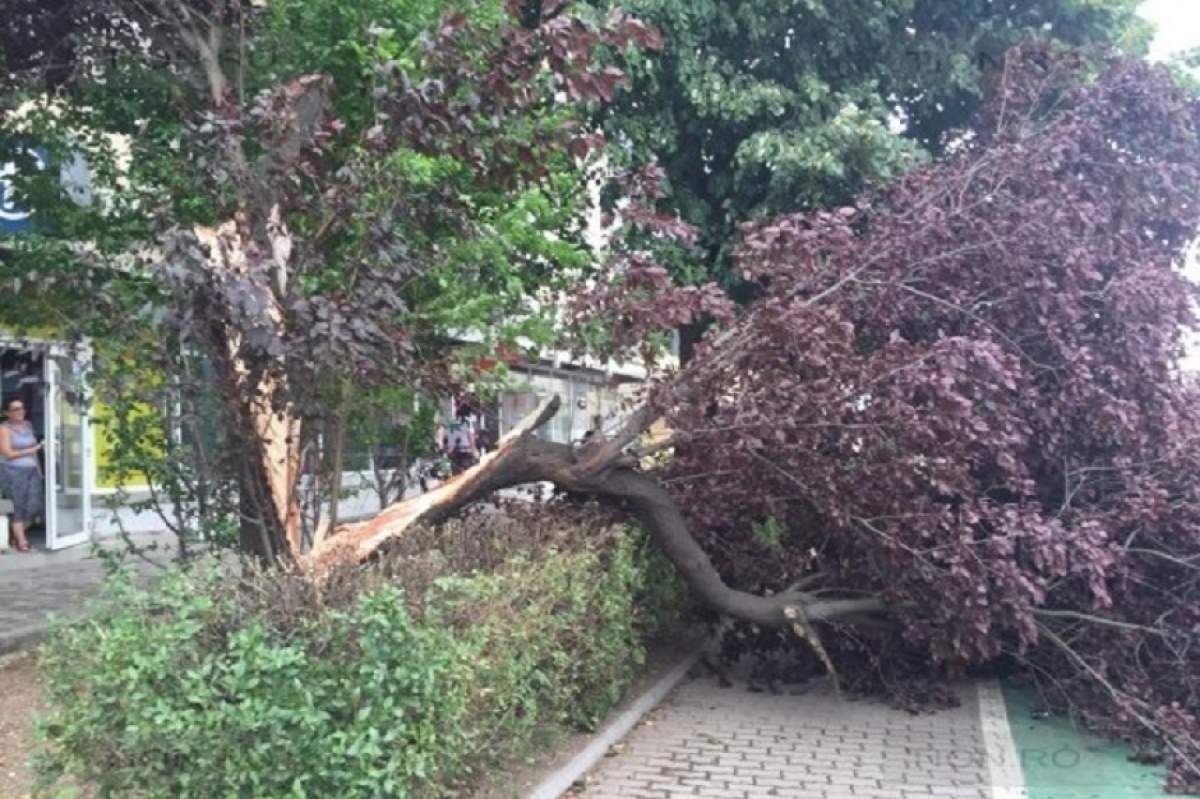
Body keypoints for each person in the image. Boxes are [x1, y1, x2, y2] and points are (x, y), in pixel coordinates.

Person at [0, 397, 43, 552]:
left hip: (32, 471)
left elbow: (34, 449)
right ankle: (21, 541)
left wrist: (39, 470)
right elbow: (7, 454)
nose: (20, 412)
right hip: (12, 471)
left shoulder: (28, 425)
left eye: (22, 408)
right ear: (7, 413)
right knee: (18, 506)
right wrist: (30, 451)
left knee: (35, 506)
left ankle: (15, 534)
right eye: (16, 409)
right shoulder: (3, 429)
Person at [442, 406, 479, 476]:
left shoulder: (450, 424)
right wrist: (475, 452)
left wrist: (447, 450)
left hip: (453, 453)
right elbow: (471, 438)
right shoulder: (467, 423)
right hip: (465, 453)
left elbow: (445, 439)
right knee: (468, 476)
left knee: (456, 476)